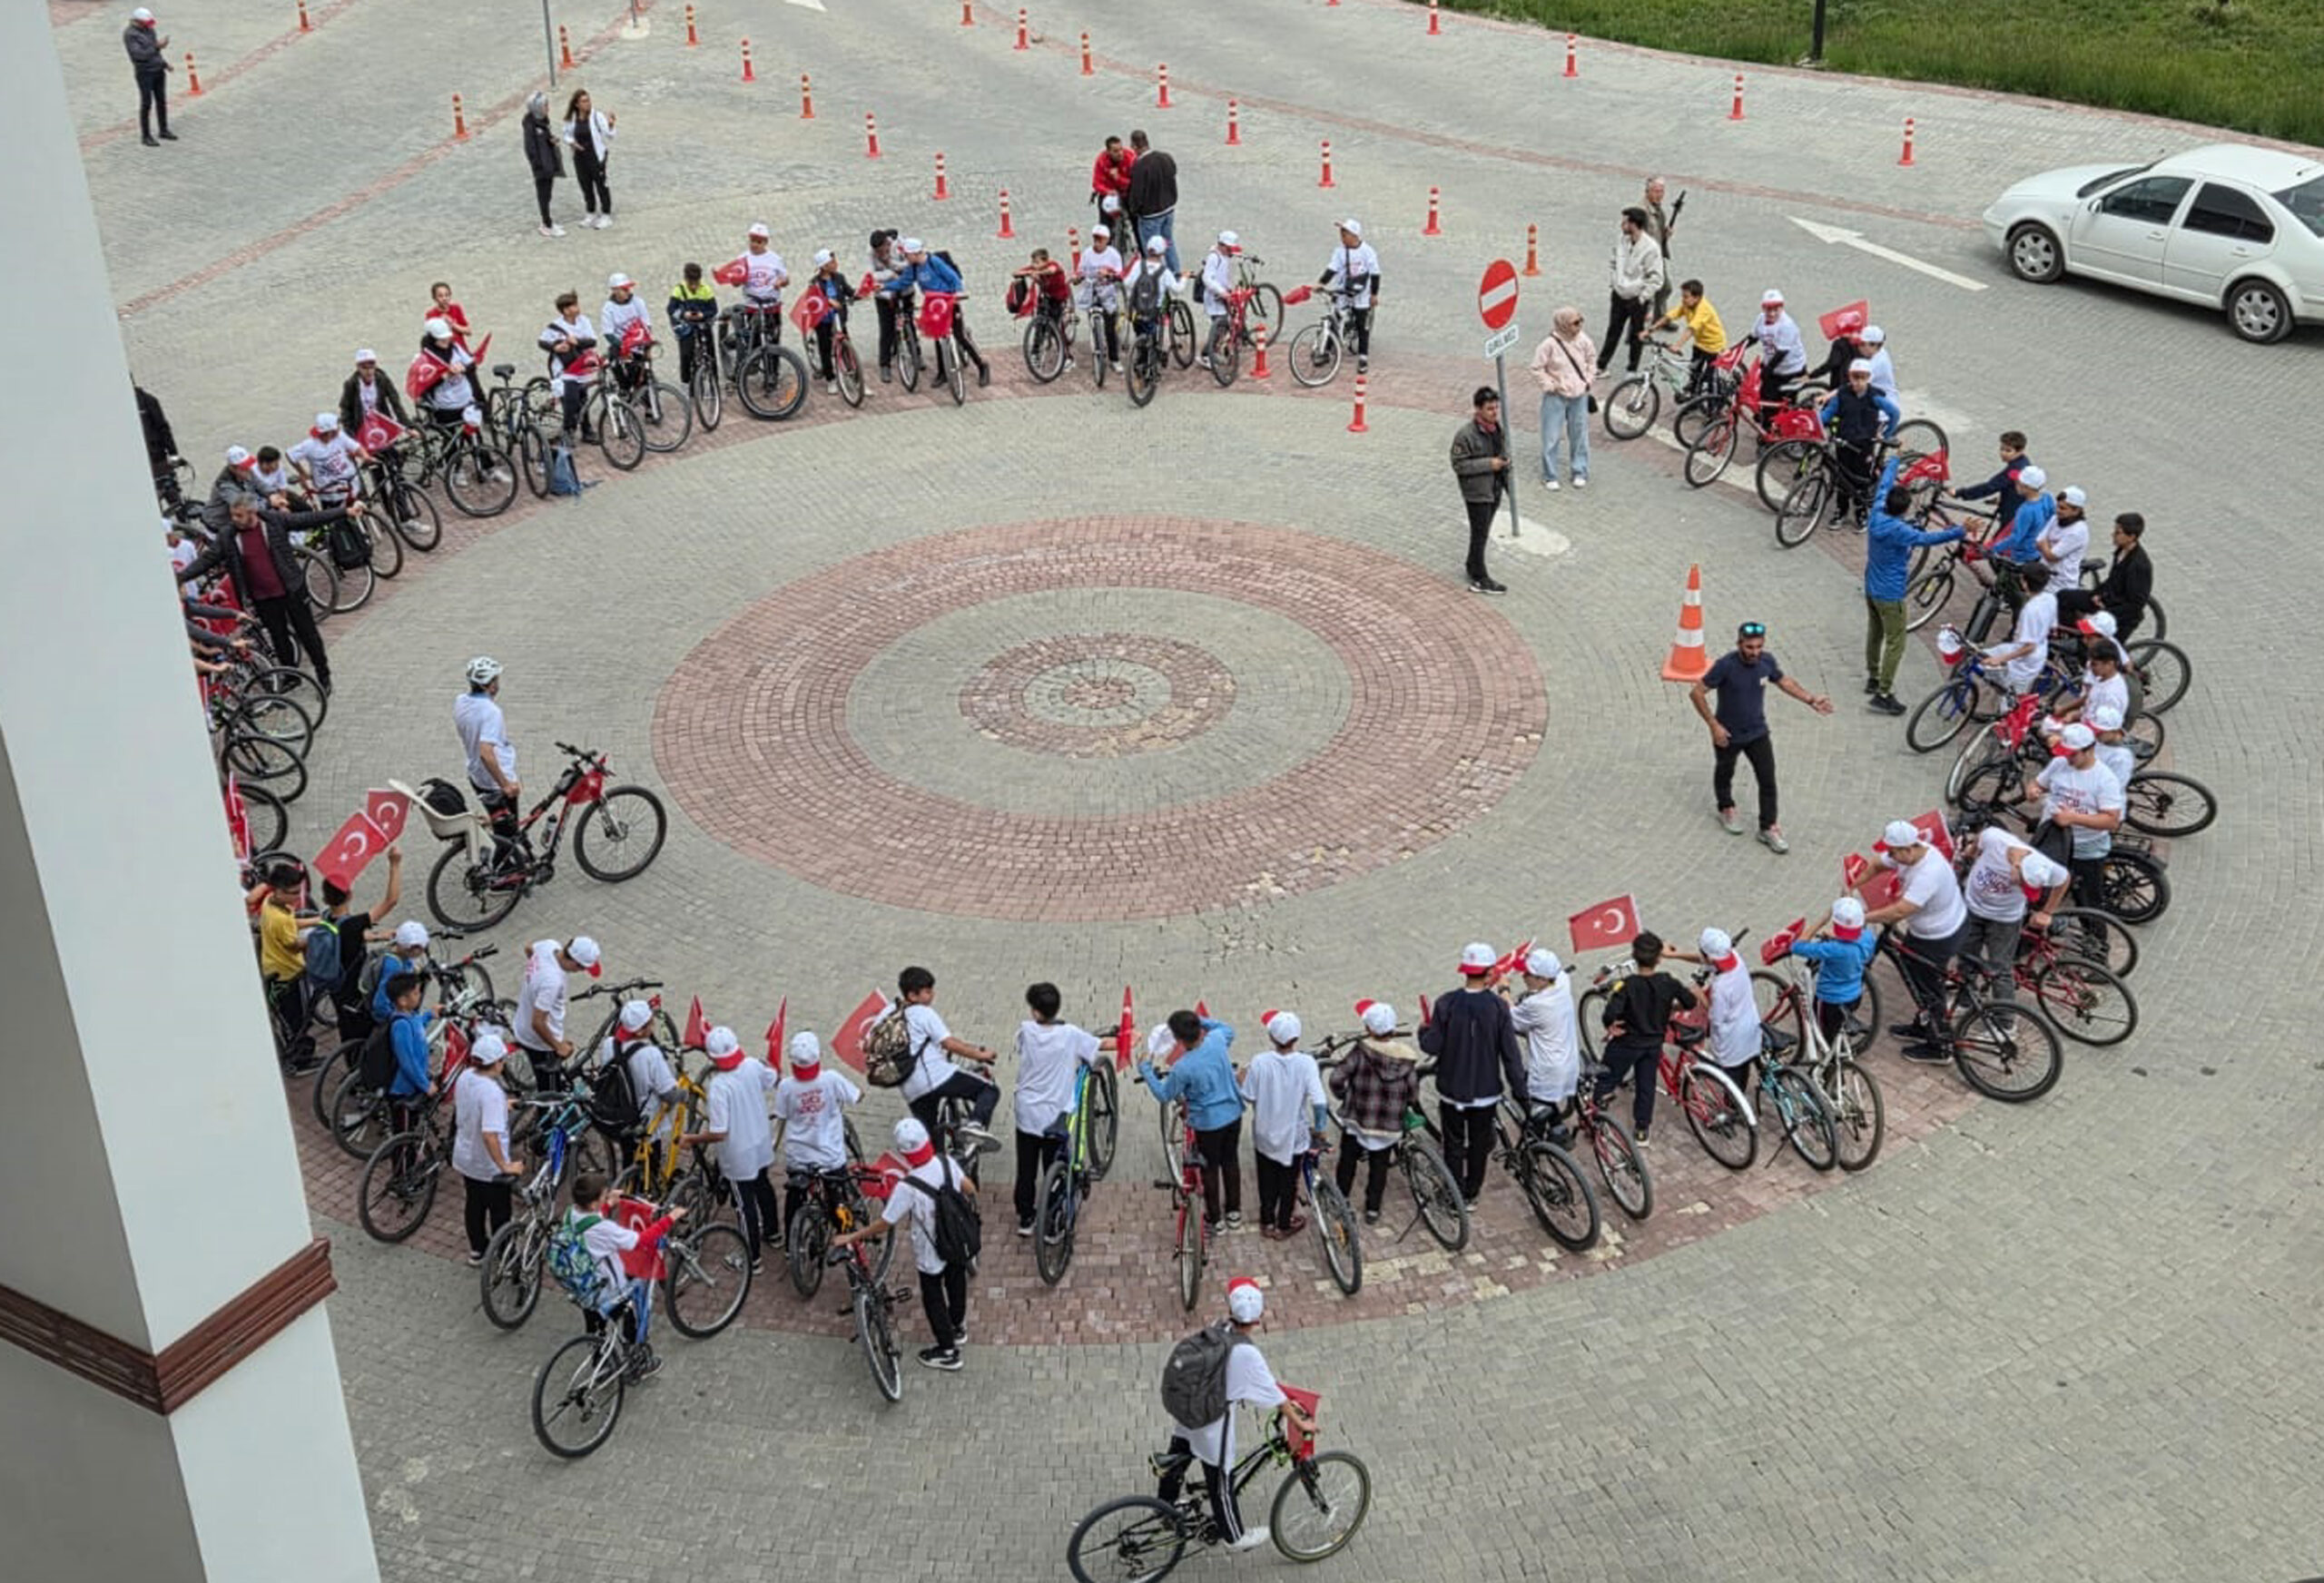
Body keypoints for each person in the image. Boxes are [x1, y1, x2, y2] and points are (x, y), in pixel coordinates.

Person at [1156, 1278, 1313, 1553]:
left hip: (1191, 1408)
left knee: (1181, 1451)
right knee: (1221, 1477)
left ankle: (1164, 1506)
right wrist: (1300, 1421)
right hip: (1213, 1420)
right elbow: (1274, 1395)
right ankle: (1234, 1536)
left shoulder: (1218, 1328)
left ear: (1230, 1309)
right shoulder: (1247, 1353)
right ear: (1258, 1319)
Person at [832, 1117, 976, 1371]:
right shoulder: (946, 1162)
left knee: (933, 1296)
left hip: (930, 1249)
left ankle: (947, 1350)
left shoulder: (908, 1186)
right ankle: (958, 1327)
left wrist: (852, 1237)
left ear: (904, 1153)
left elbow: (885, 1223)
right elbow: (969, 1188)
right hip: (956, 1240)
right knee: (956, 1282)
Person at [173, 492, 352, 692]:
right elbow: (207, 559)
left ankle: (323, 674)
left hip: (290, 590)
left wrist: (344, 511)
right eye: (233, 515)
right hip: (262, 597)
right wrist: (180, 577)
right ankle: (291, 675)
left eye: (239, 515)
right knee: (279, 637)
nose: (234, 519)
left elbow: (308, 519)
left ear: (253, 513)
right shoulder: (229, 535)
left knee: (308, 633)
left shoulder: (273, 521)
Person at [1690, 621, 1833, 853]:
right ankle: (1726, 807)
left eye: (1758, 647)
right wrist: (1714, 725)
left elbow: (1784, 681)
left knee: (1767, 779)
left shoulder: (1767, 662)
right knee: (1725, 771)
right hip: (1729, 734)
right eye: (1749, 647)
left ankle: (1768, 827)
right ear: (1739, 644)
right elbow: (1697, 693)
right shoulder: (1725, 666)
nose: (1754, 652)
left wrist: (1810, 699)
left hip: (1758, 732)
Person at [1420, 944, 1527, 1204]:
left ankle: (1453, 1192)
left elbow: (1431, 1046)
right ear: (1489, 973)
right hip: (1486, 1092)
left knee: (1453, 1144)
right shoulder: (1498, 1007)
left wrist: (1423, 1030)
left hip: (1452, 1090)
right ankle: (1471, 1192)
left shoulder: (1446, 1003)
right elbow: (1511, 1055)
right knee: (1479, 1145)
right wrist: (1521, 1092)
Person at [1864, 457, 1969, 714]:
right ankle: (1884, 693)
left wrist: (1894, 460)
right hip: (1891, 592)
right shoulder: (1900, 531)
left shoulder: (1877, 513)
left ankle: (1873, 677)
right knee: (1896, 642)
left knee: (1875, 632)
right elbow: (1927, 539)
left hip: (1871, 585)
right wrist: (1960, 531)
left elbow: (1884, 485)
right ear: (1904, 509)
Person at [1861, 820, 1968, 1060]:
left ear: (1908, 849)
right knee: (1913, 969)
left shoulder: (1928, 873)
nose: (1891, 857)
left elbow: (1901, 911)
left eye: (1894, 853)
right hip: (1938, 926)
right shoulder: (1912, 854)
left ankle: (1939, 1046)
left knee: (1928, 988)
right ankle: (1923, 1026)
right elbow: (1876, 864)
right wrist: (1853, 885)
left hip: (1938, 936)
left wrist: (1863, 918)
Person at [682, 1027, 783, 1273]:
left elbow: (719, 1132)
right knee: (763, 1186)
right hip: (761, 1143)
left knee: (744, 1205)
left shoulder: (719, 1086)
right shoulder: (752, 1066)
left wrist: (691, 1138)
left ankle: (751, 1258)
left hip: (738, 1155)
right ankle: (773, 1233)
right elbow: (774, 1078)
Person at [563, 1169, 680, 1378]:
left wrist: (608, 1204)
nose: (607, 1197)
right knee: (631, 1308)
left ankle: (599, 1359)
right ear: (593, 1204)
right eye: (604, 1196)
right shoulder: (604, 1228)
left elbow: (591, 1220)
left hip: (582, 1282)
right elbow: (640, 1240)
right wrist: (669, 1219)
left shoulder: (571, 1213)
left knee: (594, 1320)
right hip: (607, 1286)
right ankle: (637, 1362)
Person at [1010, 982, 1106, 1237]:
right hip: (1056, 1114)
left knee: (1026, 1168)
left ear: (1035, 1011)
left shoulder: (1026, 1031)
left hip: (1027, 1112)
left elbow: (1021, 1047)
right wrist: (1129, 1039)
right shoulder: (1071, 1034)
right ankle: (1053, 1221)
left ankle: (1026, 1218)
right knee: (1055, 1165)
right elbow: (1100, 1045)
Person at [1140, 1009, 1246, 1232]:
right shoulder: (1217, 1041)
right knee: (1230, 1161)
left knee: (1210, 1168)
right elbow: (1226, 1028)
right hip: (1233, 1114)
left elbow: (1164, 1094)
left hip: (1208, 1124)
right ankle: (1234, 1212)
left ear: (1179, 1041)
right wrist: (1201, 1020)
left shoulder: (1182, 1068)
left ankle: (1215, 1220)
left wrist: (1146, 1069)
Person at [1590, 933, 1696, 1145]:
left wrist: (1610, 1025)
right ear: (1659, 959)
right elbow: (1690, 1002)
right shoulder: (1668, 981)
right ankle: (1642, 1129)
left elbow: (1610, 1013)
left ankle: (1595, 1119)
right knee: (1646, 1084)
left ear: (1634, 956)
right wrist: (1671, 1007)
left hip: (1628, 1042)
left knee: (1607, 1077)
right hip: (1654, 1043)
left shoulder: (1627, 985)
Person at [1957, 826, 2071, 1011]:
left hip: (2005, 920)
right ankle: (1965, 1001)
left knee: (2000, 970)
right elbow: (1981, 838)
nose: (2022, 889)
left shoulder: (2042, 864)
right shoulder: (1995, 839)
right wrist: (1972, 851)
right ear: (2017, 868)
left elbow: (2064, 879)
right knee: (1967, 958)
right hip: (1972, 909)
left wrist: (2047, 912)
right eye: (2022, 884)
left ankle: (2005, 1020)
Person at [1329, 999, 1420, 1224]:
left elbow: (1336, 1078)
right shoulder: (1406, 1057)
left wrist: (1344, 1095)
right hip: (1388, 1125)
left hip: (1358, 1119)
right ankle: (1372, 1208)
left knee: (1348, 1160)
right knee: (1379, 1167)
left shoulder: (1360, 1052)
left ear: (1369, 1028)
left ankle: (1341, 1198)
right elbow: (1413, 1091)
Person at [1240, 1011, 1327, 1241]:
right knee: (1289, 1182)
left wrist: (1241, 1080)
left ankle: (1267, 1220)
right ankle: (1283, 1223)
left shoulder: (1259, 1062)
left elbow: (1248, 1095)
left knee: (1266, 1179)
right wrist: (1320, 1128)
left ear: (1271, 1037)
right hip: (1294, 1137)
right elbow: (1319, 1101)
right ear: (1296, 1037)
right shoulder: (1306, 1063)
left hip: (1264, 1133)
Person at [2022, 723, 2125, 914]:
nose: (2067, 758)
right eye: (2065, 753)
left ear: (2089, 750)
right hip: (2053, 840)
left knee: (2087, 901)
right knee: (2037, 890)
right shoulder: (2059, 763)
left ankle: (2092, 930)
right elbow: (2037, 783)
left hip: (2085, 848)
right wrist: (2032, 791)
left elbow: (2112, 821)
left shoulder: (2104, 779)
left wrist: (2073, 818)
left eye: (2073, 754)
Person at [895, 966, 1001, 1147]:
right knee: (989, 1090)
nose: (933, 995)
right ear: (912, 995)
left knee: (929, 1137)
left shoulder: (890, 1013)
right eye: (928, 992)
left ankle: (937, 1161)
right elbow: (949, 1044)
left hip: (910, 1088)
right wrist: (979, 1054)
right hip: (937, 1077)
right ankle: (975, 1125)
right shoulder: (923, 1013)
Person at [773, 1031, 862, 1240]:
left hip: (799, 1157)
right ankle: (844, 1239)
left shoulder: (786, 1086)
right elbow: (857, 1096)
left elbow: (781, 1117)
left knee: (794, 1198)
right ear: (819, 1056)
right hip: (829, 1157)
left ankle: (790, 1245)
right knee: (837, 1198)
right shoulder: (831, 1079)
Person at [314, 846, 402, 1048]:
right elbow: (391, 901)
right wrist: (395, 864)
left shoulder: (326, 918)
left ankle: (350, 1060)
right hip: (357, 993)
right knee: (367, 1038)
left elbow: (346, 938)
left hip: (336, 988)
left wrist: (377, 936)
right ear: (350, 895)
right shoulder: (353, 924)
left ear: (325, 898)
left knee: (347, 1031)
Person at [452, 1032, 521, 1265]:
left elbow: (474, 1104)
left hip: (466, 1157)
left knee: (474, 1204)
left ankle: (478, 1250)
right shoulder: (492, 1093)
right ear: (496, 1063)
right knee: (500, 1213)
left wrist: (501, 1105)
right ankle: (506, 1256)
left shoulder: (466, 1077)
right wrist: (505, 1166)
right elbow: (490, 1135)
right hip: (488, 1166)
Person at [1663, 929, 1759, 1095]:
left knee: (1733, 1086)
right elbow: (1705, 960)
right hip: (1751, 1027)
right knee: (1743, 1070)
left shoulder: (1721, 988)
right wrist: (1674, 955)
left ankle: (1732, 1106)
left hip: (1733, 1042)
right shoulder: (1735, 958)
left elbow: (1716, 1018)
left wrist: (1700, 996)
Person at [883, 240, 990, 387]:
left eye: (907, 255)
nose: (905, 258)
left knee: (959, 335)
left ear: (915, 253)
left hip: (948, 301)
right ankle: (942, 373)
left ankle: (982, 365)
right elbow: (903, 282)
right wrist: (883, 287)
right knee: (937, 336)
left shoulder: (934, 262)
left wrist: (958, 293)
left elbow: (953, 278)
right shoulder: (913, 268)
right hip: (933, 305)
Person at [1783, 899, 1881, 1047]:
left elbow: (1797, 947)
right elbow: (1854, 939)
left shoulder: (1831, 949)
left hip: (1829, 1001)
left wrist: (1820, 922)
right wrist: (1838, 936)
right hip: (1854, 996)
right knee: (1837, 1027)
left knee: (1823, 1036)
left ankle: (1828, 1058)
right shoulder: (1868, 938)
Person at [1816, 359, 1902, 526]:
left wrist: (1886, 434)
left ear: (1868, 378)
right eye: (1855, 377)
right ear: (1850, 377)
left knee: (1861, 478)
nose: (1858, 382)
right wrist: (1814, 422)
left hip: (1864, 445)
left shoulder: (1874, 397)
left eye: (1863, 378)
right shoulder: (1842, 394)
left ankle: (1861, 512)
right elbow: (1828, 414)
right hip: (1843, 442)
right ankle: (1841, 510)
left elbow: (1894, 413)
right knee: (1842, 477)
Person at [1504, 948, 1581, 1132]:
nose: (1523, 976)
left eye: (1528, 974)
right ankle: (1557, 1128)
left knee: (1535, 1108)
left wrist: (1503, 989)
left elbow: (1510, 1017)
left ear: (1542, 979)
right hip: (1569, 1060)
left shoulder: (1536, 1004)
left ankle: (1544, 1140)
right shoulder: (1562, 982)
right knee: (1548, 1104)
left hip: (1548, 1071)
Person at [455, 655, 523, 860]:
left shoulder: (461, 701)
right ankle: (506, 871)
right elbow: (485, 752)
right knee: (508, 834)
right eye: (496, 680)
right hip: (494, 781)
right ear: (489, 685)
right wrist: (506, 785)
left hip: (476, 774)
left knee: (501, 823)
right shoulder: (491, 712)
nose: (498, 684)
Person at [511, 936, 602, 1087]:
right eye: (582, 968)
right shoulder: (552, 982)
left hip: (522, 1021)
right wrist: (558, 1046)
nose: (581, 972)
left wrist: (536, 974)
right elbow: (538, 1023)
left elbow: (528, 948)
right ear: (576, 963)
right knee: (550, 1091)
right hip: (540, 1044)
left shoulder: (550, 946)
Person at [1450, 386, 1511, 595]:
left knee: (1483, 531)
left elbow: (1503, 455)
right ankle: (1479, 576)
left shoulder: (1498, 430)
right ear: (1478, 409)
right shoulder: (1465, 435)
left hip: (1494, 489)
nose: (1494, 413)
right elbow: (1459, 465)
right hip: (1477, 492)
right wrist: (1489, 464)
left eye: (1496, 408)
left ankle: (1472, 564)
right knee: (1480, 534)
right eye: (1489, 409)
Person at [256, 861, 318, 1067]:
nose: (297, 897)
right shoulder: (279, 919)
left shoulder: (271, 903)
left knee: (288, 1018)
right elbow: (293, 944)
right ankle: (300, 1061)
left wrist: (316, 921)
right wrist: (317, 938)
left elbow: (291, 924)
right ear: (279, 890)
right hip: (289, 974)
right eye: (293, 893)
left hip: (273, 968)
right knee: (299, 1020)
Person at [1529, 308, 1597, 492]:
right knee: (1551, 436)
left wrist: (1588, 381)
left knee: (1580, 435)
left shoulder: (1584, 340)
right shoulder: (1549, 344)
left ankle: (1580, 471)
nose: (1579, 325)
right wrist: (1550, 385)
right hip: (1555, 396)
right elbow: (1536, 368)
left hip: (1579, 395)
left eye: (1580, 320)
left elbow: (1592, 361)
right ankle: (1550, 475)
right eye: (1575, 322)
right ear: (1563, 324)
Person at [2056, 512, 2152, 642]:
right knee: (2064, 597)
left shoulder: (2139, 566)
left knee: (2092, 636)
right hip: (2108, 599)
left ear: (2131, 537)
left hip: (2121, 613)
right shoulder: (2121, 551)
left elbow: (2135, 604)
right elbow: (2113, 580)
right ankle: (2072, 636)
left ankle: (2082, 642)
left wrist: (2105, 609)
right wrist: (2098, 594)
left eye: (2118, 533)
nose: (2113, 535)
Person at [1599, 208, 1665, 377]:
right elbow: (1614, 262)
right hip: (1619, 294)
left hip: (1637, 298)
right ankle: (1601, 365)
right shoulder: (1622, 240)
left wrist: (1642, 298)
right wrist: (1614, 282)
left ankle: (1632, 369)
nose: (1622, 225)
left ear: (1634, 224)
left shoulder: (1651, 248)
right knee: (1613, 331)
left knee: (1637, 334)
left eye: (1625, 222)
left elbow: (1657, 278)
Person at [1318, 219, 1382, 372]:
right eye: (1341, 233)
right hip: (1343, 290)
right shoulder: (1339, 251)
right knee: (1335, 318)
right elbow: (1332, 269)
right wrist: (1321, 283)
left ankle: (1363, 357)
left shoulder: (1367, 252)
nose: (1342, 237)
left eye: (1344, 233)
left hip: (1361, 293)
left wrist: (1373, 295)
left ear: (1354, 235)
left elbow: (1375, 274)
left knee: (1362, 324)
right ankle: (1326, 350)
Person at [539, 292, 601, 441]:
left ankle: (586, 430)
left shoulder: (584, 321)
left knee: (583, 397)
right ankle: (568, 430)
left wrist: (577, 342)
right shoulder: (555, 326)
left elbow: (592, 341)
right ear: (566, 310)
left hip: (581, 366)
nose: (577, 308)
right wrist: (555, 347)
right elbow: (542, 342)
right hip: (564, 369)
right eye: (574, 306)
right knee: (571, 400)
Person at [1984, 585, 2062, 699]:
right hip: (2031, 650)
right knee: (1980, 655)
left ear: (2024, 582)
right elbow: (2053, 629)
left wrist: (2001, 659)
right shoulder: (2050, 598)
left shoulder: (2030, 610)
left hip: (2025, 662)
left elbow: (2029, 647)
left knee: (2010, 700)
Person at [1741, 290, 1808, 418]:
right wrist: (1738, 349)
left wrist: (1767, 370)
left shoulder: (1787, 325)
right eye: (1768, 310)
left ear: (1781, 308)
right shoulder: (1761, 319)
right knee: (1765, 398)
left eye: (1775, 310)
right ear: (1763, 308)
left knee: (1783, 404)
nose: (1772, 314)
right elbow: (1752, 338)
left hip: (1791, 369)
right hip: (1772, 365)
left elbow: (1781, 353)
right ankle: (1766, 420)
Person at [1954, 431, 2035, 531]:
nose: (2003, 453)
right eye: (2001, 449)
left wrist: (1960, 493)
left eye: (2008, 451)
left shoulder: (2015, 470)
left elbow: (1990, 487)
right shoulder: (2025, 463)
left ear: (2020, 451)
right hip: (2017, 510)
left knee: (2000, 539)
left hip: (2012, 517)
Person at [803, 250, 860, 393]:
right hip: (823, 320)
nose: (836, 264)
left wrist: (861, 293)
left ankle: (855, 376)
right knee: (825, 349)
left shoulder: (839, 278)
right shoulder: (815, 283)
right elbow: (812, 300)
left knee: (846, 345)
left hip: (838, 318)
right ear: (824, 266)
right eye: (832, 262)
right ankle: (830, 378)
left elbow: (849, 292)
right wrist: (828, 301)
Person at [1011, 248, 1076, 374]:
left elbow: (1052, 270)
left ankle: (1067, 358)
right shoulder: (1035, 268)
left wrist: (1038, 273)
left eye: (1037, 262)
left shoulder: (1053, 265)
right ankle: (1035, 354)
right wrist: (1029, 273)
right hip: (1045, 297)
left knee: (1057, 328)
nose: (1034, 265)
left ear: (1045, 261)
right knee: (1039, 327)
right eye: (1033, 262)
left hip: (1058, 299)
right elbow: (1015, 273)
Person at [1657, 279, 1725, 392]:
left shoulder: (1703, 309)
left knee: (1711, 378)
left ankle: (1715, 402)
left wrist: (1677, 346)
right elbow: (1673, 314)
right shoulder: (1687, 305)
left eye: (1686, 297)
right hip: (1700, 343)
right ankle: (1694, 394)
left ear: (1696, 298)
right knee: (1694, 372)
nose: (1683, 299)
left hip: (1713, 346)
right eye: (1682, 296)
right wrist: (1651, 329)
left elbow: (1691, 329)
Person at [1125, 130, 1179, 271]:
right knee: (1168, 243)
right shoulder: (1166, 157)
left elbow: (1137, 193)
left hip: (1150, 215)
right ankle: (1175, 273)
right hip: (1168, 209)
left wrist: (1134, 209)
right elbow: (1173, 173)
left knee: (1152, 250)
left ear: (1134, 146)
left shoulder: (1140, 166)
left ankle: (1156, 277)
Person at [288, 411, 368, 507]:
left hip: (349, 483)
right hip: (329, 490)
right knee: (336, 515)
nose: (338, 429)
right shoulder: (310, 445)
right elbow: (291, 455)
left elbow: (356, 447)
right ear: (329, 431)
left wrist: (366, 457)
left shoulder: (340, 437)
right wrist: (303, 473)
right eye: (336, 427)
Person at [562, 88, 615, 229]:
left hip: (595, 156)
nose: (588, 103)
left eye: (588, 100)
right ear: (577, 104)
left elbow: (609, 134)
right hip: (580, 157)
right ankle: (590, 212)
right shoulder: (572, 119)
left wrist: (611, 124)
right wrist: (572, 143)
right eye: (584, 101)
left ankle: (606, 214)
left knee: (601, 185)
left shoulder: (596, 116)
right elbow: (566, 134)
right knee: (585, 185)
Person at [414, 318, 479, 433]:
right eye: (442, 339)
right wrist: (445, 376)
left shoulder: (455, 348)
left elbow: (472, 365)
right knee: (450, 437)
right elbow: (425, 385)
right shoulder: (425, 359)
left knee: (472, 434)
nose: (446, 341)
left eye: (447, 337)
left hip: (466, 400)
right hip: (446, 407)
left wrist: (463, 368)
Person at [123, 9, 174, 146]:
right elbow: (139, 55)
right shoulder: (130, 34)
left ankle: (163, 129)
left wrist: (164, 64)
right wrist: (157, 46)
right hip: (145, 73)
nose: (149, 26)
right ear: (138, 21)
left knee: (161, 101)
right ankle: (146, 136)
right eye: (146, 23)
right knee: (146, 103)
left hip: (158, 70)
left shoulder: (150, 30)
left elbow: (156, 53)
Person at [1124, 236, 1179, 361]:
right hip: (1154, 310)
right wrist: (1185, 278)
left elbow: (1127, 283)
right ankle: (1152, 361)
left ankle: (1140, 358)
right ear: (1162, 253)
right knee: (1152, 335)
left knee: (1140, 332)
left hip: (1137, 309)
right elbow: (1177, 289)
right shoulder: (1164, 271)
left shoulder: (1138, 265)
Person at [2030, 486, 2093, 596]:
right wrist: (2047, 546)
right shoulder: (2055, 519)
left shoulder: (2078, 531)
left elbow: (2052, 556)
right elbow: (2038, 541)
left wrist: (2045, 544)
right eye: (2058, 506)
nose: (2058, 511)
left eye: (2063, 508)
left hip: (2062, 585)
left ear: (2076, 511)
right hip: (2044, 580)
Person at [1079, 225, 1126, 371]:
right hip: (1092, 291)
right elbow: (1081, 271)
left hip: (1107, 292)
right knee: (1094, 324)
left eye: (1100, 239)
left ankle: (1114, 358)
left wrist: (1109, 275)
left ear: (1107, 240)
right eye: (1095, 238)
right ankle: (1097, 350)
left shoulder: (1113, 255)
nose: (1097, 242)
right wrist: (1077, 277)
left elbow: (1120, 274)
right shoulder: (1087, 254)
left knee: (1110, 329)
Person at [667, 263, 720, 388]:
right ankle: (687, 380)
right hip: (687, 326)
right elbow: (671, 309)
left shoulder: (706, 289)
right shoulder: (678, 290)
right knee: (686, 353)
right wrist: (684, 314)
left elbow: (714, 309)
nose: (694, 286)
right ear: (686, 279)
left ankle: (714, 381)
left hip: (703, 325)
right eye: (691, 283)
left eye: (696, 283)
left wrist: (703, 315)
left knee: (710, 353)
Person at [339, 349, 409, 441]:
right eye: (364, 368)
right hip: (360, 424)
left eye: (371, 367)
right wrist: (350, 433)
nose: (368, 371)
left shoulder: (383, 380)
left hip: (380, 422)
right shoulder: (351, 384)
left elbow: (396, 404)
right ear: (358, 368)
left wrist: (408, 426)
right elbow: (345, 409)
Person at [867, 229, 910, 381]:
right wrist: (890, 274)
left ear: (887, 243)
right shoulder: (871, 253)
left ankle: (916, 354)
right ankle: (885, 365)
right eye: (877, 252)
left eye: (883, 250)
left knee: (909, 322)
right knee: (886, 329)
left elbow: (908, 264)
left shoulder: (899, 245)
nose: (880, 254)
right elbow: (871, 275)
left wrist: (891, 264)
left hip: (905, 290)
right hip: (883, 295)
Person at [522, 91, 566, 238]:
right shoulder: (531, 126)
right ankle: (547, 224)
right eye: (545, 105)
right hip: (542, 167)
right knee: (544, 195)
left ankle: (548, 221)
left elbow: (544, 137)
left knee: (548, 194)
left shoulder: (542, 121)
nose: (548, 108)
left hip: (548, 163)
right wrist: (538, 164)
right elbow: (530, 148)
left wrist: (551, 140)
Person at [1196, 232, 1241, 368]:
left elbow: (1223, 277)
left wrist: (1229, 289)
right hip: (1214, 298)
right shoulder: (1214, 258)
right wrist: (1221, 291)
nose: (1231, 251)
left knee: (1224, 325)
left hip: (1222, 296)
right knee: (1220, 326)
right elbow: (1207, 278)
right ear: (1222, 246)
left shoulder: (1224, 257)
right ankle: (1206, 355)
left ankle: (1212, 351)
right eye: (1229, 248)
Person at [1641, 177, 1679, 319]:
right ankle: (1640, 323)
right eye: (1656, 191)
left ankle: (1660, 317)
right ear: (1647, 191)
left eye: (1662, 191)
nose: (1660, 195)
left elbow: (1658, 233)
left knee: (1665, 288)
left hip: (1657, 255)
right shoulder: (1642, 211)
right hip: (1646, 258)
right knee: (1649, 292)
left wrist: (1665, 234)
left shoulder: (1658, 210)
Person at [137, 385, 182, 499]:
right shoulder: (120, 405)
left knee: (171, 493)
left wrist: (173, 454)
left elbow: (163, 428)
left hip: (156, 458)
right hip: (141, 461)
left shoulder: (148, 401)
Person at [2090, 703, 2139, 794]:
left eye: (2100, 732)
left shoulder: (2121, 758)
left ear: (2114, 731)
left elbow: (2114, 789)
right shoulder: (2102, 740)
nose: (2095, 734)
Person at [1091, 133, 1136, 216]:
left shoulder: (1130, 158)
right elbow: (1096, 184)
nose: (1120, 153)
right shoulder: (1102, 160)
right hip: (1110, 195)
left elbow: (1134, 183)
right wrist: (1108, 191)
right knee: (1105, 209)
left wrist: (1118, 178)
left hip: (1127, 193)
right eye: (1115, 151)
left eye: (1121, 149)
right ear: (1108, 152)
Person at [1860, 325, 1898, 403]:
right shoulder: (1879, 352)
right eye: (1861, 344)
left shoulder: (1878, 362)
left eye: (1863, 344)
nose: (1861, 347)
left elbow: (1859, 383)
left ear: (1876, 345)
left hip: (1883, 403)